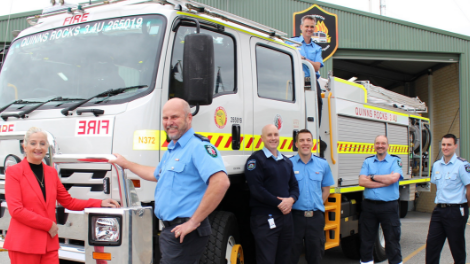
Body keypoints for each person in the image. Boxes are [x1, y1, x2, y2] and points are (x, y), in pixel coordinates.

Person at [110, 98, 230, 264]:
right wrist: (127, 164)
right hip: (172, 230)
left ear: (189, 118)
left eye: (174, 117)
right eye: (165, 118)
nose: (169, 122)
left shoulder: (198, 147)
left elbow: (221, 182)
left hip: (185, 232)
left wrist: (193, 222)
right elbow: (155, 173)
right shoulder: (173, 149)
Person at [4, 127, 119, 264]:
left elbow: (68, 202)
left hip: (49, 244)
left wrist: (99, 203)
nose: (38, 147)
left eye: (42, 143)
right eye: (33, 143)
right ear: (25, 146)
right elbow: (16, 211)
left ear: (47, 146)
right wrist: (48, 225)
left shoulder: (51, 173)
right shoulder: (14, 172)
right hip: (24, 243)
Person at [244, 124, 299, 264]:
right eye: (269, 135)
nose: (273, 138)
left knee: (285, 258)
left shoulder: (286, 162)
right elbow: (257, 190)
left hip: (286, 219)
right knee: (266, 260)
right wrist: (280, 203)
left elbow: (294, 186)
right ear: (262, 138)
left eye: (276, 134)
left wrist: (291, 200)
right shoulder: (256, 160)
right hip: (265, 218)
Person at [289, 129, 334, 264]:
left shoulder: (323, 164)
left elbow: (326, 189)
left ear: (313, 143)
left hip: (315, 218)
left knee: (315, 256)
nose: (305, 143)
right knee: (290, 256)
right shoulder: (288, 164)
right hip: (294, 218)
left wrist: (317, 204)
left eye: (308, 140)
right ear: (296, 144)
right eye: (301, 140)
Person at [425, 134, 470, 264]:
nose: (445, 147)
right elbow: (437, 187)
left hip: (456, 211)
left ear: (455, 146)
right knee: (432, 247)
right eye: (443, 144)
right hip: (439, 211)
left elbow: (469, 187)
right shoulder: (437, 165)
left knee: (457, 248)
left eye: (449, 144)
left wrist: (466, 210)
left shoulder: (462, 165)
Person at [358, 135, 403, 264]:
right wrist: (385, 181)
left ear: (388, 146)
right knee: (366, 241)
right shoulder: (368, 161)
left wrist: (371, 177)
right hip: (369, 207)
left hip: (389, 207)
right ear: (374, 145)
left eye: (383, 143)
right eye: (377, 143)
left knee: (392, 240)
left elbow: (394, 179)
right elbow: (361, 181)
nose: (380, 145)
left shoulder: (395, 161)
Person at [290, 15, 324, 125]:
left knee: (316, 107)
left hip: (312, 82)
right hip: (295, 82)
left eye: (312, 27)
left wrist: (303, 59)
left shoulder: (317, 48)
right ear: (301, 27)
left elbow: (317, 67)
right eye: (307, 26)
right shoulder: (291, 42)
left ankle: (314, 134)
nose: (309, 29)